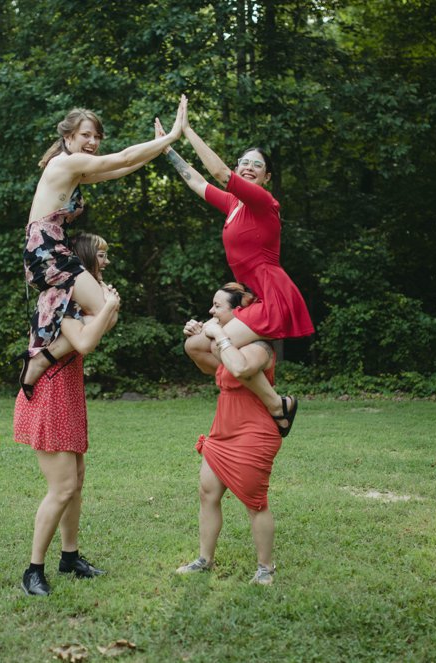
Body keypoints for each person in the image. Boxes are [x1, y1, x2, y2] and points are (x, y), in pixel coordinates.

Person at [157, 116, 315, 436]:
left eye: (256, 165)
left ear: (266, 176)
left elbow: (218, 173)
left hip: (272, 293)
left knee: (218, 343)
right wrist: (167, 149)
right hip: (250, 296)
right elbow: (197, 182)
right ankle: (256, 390)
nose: (248, 167)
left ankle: (275, 405)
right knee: (195, 346)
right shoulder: (233, 205)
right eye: (244, 162)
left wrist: (187, 130)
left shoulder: (263, 202)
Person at [20, 98, 187, 398]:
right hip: (47, 251)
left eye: (97, 137)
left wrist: (158, 147)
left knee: (109, 314)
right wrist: (172, 135)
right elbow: (120, 158)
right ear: (68, 136)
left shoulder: (75, 168)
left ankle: (44, 357)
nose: (93, 142)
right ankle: (39, 361)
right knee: (103, 309)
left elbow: (119, 168)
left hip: (51, 249)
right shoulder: (66, 162)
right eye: (86, 135)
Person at [17, 233, 121, 596]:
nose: (105, 261)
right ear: (83, 259)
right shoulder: (60, 297)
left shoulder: (79, 300)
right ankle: (32, 571)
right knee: (61, 488)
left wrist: (105, 306)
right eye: (101, 255)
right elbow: (86, 343)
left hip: (67, 391)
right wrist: (108, 305)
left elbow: (98, 328)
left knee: (76, 482)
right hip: (50, 394)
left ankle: (70, 557)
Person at [176, 283, 283, 585]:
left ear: (239, 313)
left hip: (254, 431)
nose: (211, 311)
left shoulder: (259, 348)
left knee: (255, 502)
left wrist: (220, 335)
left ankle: (265, 568)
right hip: (223, 429)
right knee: (208, 493)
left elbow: (238, 369)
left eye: (217, 306)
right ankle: (204, 560)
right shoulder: (223, 346)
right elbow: (195, 352)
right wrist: (198, 331)